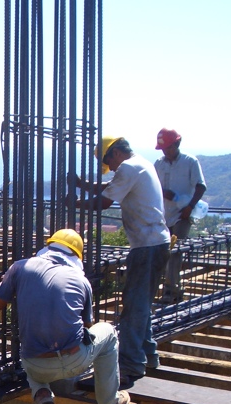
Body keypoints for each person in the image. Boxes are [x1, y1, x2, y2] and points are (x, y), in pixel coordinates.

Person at [0, 229, 129, 404]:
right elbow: (87, 327)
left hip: (35, 366)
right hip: (74, 361)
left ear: (49, 247)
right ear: (76, 256)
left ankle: (41, 392)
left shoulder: (20, 267)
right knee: (109, 332)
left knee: (28, 352)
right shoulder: (82, 280)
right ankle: (109, 403)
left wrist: (8, 285)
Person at [72, 136, 170, 388]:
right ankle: (149, 356)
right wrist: (83, 184)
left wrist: (74, 203)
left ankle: (130, 366)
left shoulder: (128, 167)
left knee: (133, 307)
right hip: (157, 243)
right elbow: (110, 187)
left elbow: (103, 202)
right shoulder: (140, 164)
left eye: (108, 161)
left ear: (115, 152)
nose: (111, 167)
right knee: (142, 304)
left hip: (146, 247)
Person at [154, 128, 207, 303]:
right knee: (163, 251)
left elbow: (200, 186)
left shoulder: (190, 161)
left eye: (168, 147)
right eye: (163, 148)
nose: (165, 151)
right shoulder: (159, 164)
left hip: (183, 214)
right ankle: (166, 288)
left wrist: (190, 207)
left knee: (175, 252)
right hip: (165, 214)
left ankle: (172, 292)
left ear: (177, 144)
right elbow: (152, 187)